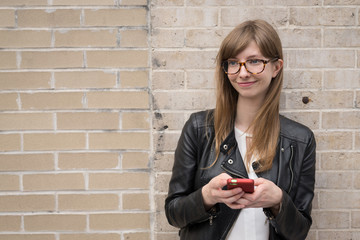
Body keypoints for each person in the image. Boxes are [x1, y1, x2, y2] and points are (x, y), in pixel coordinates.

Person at [165, 19, 316, 240]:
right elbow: (174, 213)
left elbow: (299, 231)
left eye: (254, 61)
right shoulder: (198, 128)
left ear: (276, 67)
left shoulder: (300, 140)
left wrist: (278, 200)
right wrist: (207, 196)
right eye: (234, 63)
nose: (242, 73)